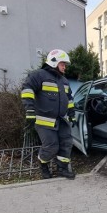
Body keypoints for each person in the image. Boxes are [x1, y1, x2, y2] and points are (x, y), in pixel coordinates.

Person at [21, 49, 76, 179]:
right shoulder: (38, 75)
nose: (65, 67)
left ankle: (62, 169)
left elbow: (69, 99)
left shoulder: (64, 81)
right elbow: (27, 90)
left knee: (66, 144)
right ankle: (43, 165)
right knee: (51, 146)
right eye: (63, 64)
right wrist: (29, 110)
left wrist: (71, 113)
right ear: (54, 62)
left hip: (61, 120)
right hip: (44, 120)